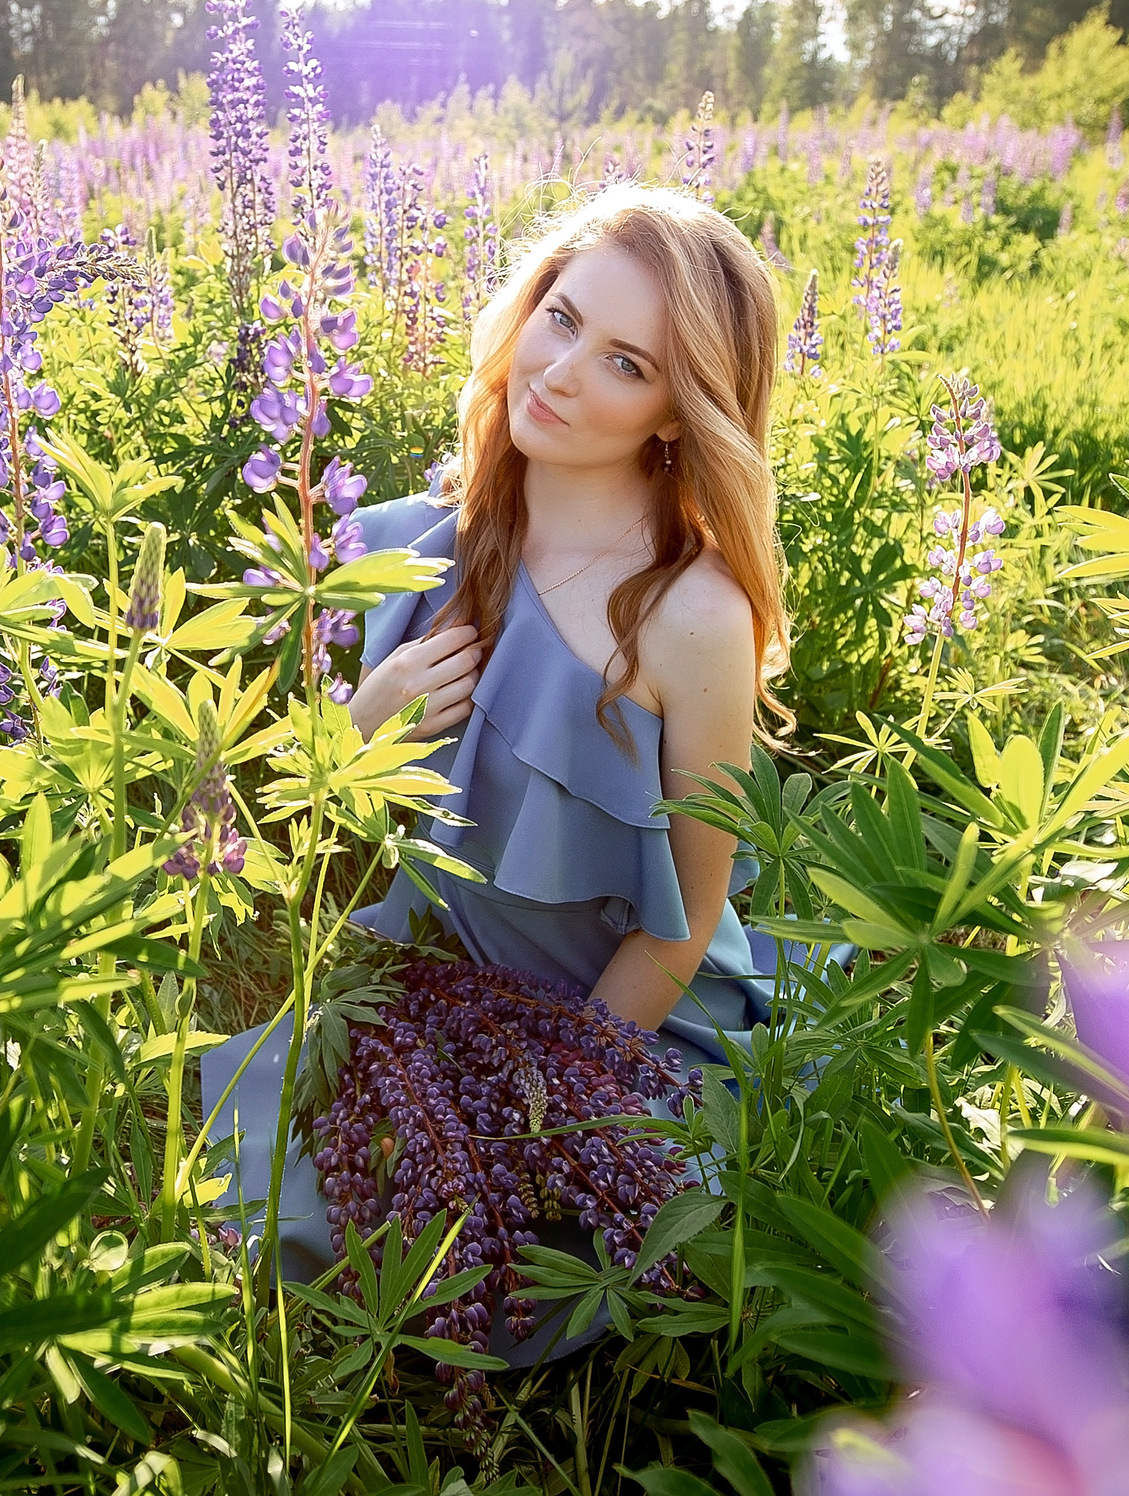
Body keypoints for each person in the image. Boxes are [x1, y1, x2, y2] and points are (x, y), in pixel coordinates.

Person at [199, 182, 794, 1360]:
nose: (563, 372)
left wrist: (548, 1107)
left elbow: (681, 928)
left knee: (489, 1269)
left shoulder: (689, 615)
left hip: (622, 1024)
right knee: (254, 1179)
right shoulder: (435, 535)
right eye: (562, 317)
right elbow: (309, 848)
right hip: (439, 982)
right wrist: (356, 737)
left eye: (627, 364)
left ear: (680, 413)